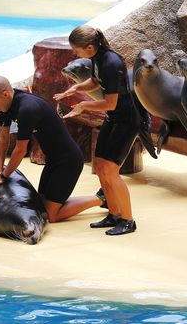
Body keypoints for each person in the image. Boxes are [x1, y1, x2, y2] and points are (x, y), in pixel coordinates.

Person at [0, 75, 104, 222]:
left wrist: (4, 176)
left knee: (51, 215)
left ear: (5, 94)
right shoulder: (7, 105)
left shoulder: (26, 108)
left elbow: (20, 150)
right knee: (41, 205)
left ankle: (101, 198)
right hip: (53, 160)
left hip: (68, 161)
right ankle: (98, 198)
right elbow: (2, 136)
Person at [53, 25, 139, 235]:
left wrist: (83, 106)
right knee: (100, 165)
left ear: (89, 47)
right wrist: (76, 88)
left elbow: (109, 103)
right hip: (114, 117)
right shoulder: (98, 58)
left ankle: (127, 220)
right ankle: (114, 213)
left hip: (126, 119)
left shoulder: (110, 62)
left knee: (110, 170)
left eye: (77, 50)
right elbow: (95, 81)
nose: (75, 54)